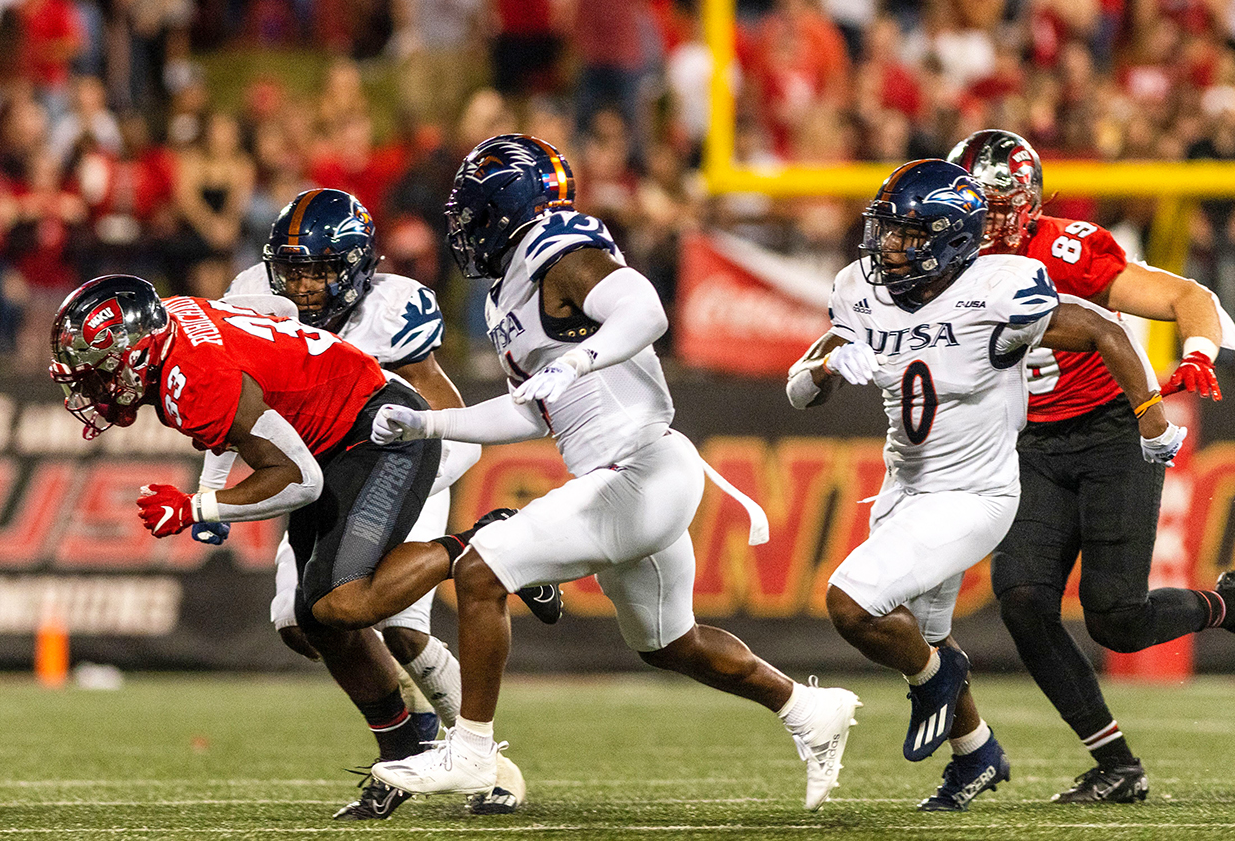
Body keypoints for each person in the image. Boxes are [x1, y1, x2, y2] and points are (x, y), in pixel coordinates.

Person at [367, 135, 862, 811]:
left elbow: (646, 311)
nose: (466, 230)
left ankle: (473, 751)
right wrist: (429, 424)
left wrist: (580, 357)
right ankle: (809, 708)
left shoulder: (560, 251)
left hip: (639, 469)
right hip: (637, 475)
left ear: (512, 207)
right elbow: (529, 412)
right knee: (669, 642)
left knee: (481, 569)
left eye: (476, 213)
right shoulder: (503, 297)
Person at [48, 273, 553, 820]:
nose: (90, 383)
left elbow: (296, 478)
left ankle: (486, 540)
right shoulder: (174, 325)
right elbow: (247, 401)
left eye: (98, 368)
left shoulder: (194, 373)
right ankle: (405, 750)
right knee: (313, 620)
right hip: (332, 436)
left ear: (138, 352)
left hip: (375, 432)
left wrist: (200, 507)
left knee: (346, 602)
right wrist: (211, 489)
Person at [788, 159, 1186, 812]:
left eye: (907, 234)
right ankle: (976, 751)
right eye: (887, 230)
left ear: (950, 239)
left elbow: (1103, 329)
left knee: (854, 602)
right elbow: (799, 391)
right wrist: (828, 366)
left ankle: (939, 682)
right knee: (928, 629)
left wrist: (1149, 419)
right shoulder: (861, 289)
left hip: (978, 491)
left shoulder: (1001, 288)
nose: (888, 245)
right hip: (905, 486)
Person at [198, 188, 544, 818]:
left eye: (322, 271)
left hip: (404, 462)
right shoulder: (251, 295)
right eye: (294, 270)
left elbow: (450, 419)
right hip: (321, 471)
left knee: (394, 624)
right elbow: (232, 404)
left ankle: (484, 760)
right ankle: (412, 742)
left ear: (357, 268)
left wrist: (396, 490)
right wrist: (210, 487)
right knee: (300, 621)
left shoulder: (390, 311)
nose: (304, 289)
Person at [948, 129, 1231, 803]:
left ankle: (1225, 602)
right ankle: (1115, 763)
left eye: (996, 205)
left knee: (1117, 617)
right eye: (972, 206)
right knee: (1020, 596)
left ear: (1027, 203)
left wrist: (1197, 353)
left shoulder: (1066, 248)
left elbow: (1188, 296)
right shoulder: (946, 258)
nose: (983, 221)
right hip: (1030, 442)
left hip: (1111, 432)